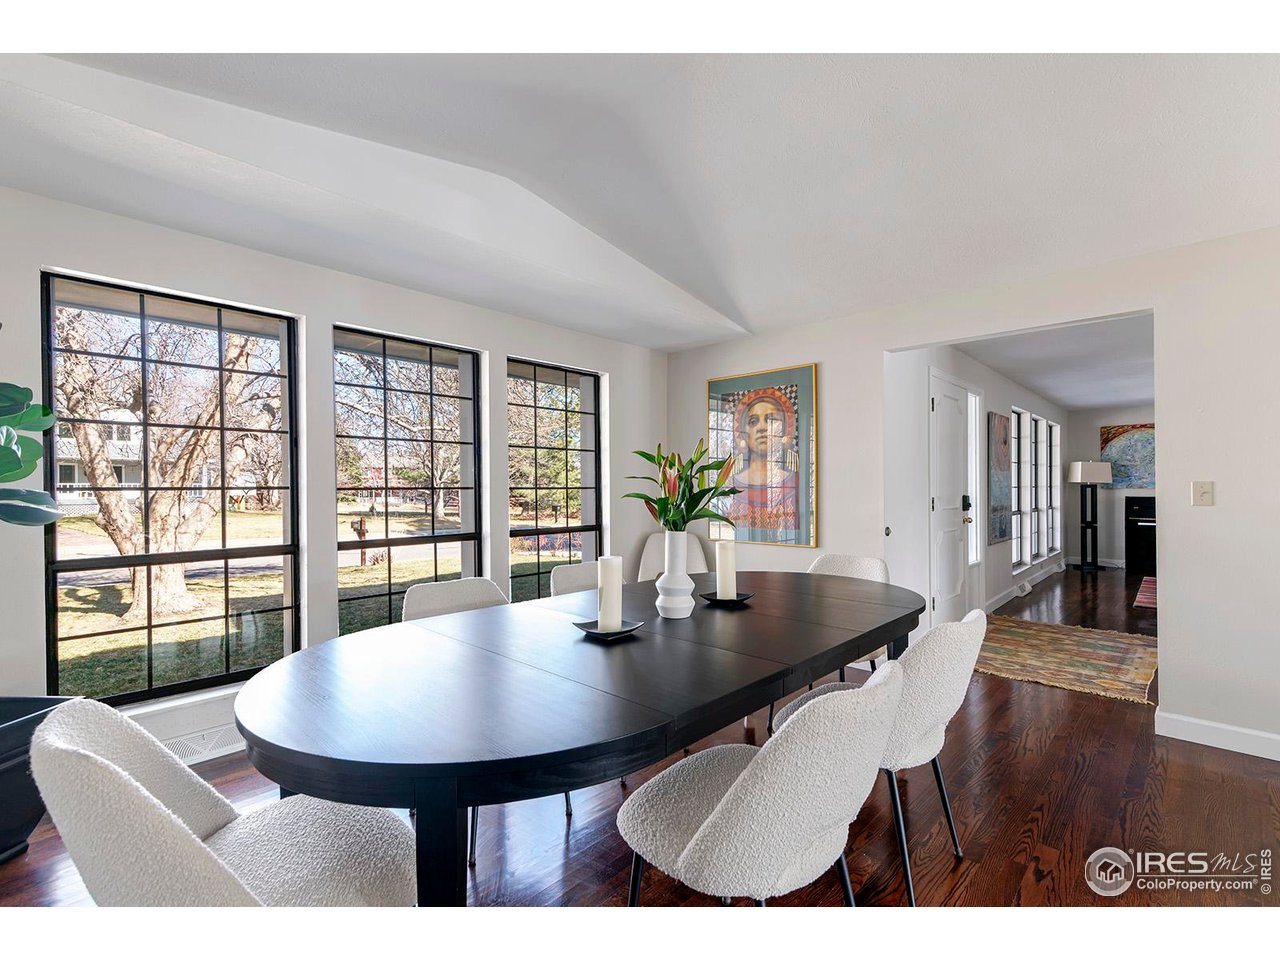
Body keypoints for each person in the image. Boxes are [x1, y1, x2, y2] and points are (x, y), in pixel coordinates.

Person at [724, 388, 800, 541]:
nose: (762, 428)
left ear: (785, 430)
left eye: (771, 419)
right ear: (744, 431)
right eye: (753, 421)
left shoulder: (794, 482)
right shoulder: (731, 484)